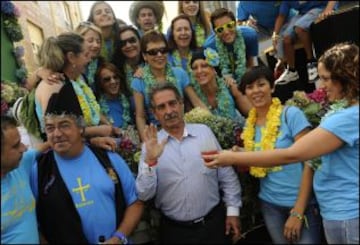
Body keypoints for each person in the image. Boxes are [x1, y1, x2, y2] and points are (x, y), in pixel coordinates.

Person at [203, 42, 359, 244]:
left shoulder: (346, 117)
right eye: (249, 87)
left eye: (326, 79)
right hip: (331, 210)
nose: (322, 85)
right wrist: (242, 152)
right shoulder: (343, 111)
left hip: (346, 212)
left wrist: (232, 157)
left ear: (344, 78)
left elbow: (293, 154)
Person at [30, 90, 143, 244]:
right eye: (50, 128)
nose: (56, 134)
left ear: (81, 128)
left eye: (64, 125)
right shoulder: (39, 170)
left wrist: (119, 238)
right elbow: (31, 224)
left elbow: (134, 203)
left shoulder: (108, 158)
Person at [135, 82, 242, 244]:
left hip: (214, 225)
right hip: (176, 233)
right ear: (155, 113)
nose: (169, 111)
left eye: (172, 103)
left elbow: (226, 174)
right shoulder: (151, 146)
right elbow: (144, 194)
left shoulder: (204, 132)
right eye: (162, 107)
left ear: (182, 104)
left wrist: (233, 211)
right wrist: (150, 161)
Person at [236, 65, 323, 243]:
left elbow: (311, 161)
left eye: (261, 85)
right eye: (249, 87)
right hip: (270, 205)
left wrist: (298, 212)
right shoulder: (249, 125)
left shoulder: (290, 115)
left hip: (301, 205)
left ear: (272, 87)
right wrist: (241, 154)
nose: (256, 91)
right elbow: (260, 158)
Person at [131, 30, 206, 141]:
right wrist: (148, 143)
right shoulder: (138, 81)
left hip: (183, 127)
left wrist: (212, 122)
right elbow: (140, 116)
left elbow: (196, 102)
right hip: (158, 133)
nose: (159, 55)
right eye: (153, 52)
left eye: (163, 50)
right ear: (145, 56)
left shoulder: (179, 73)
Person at [1, 115, 50, 244]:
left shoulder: (20, 165)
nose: (23, 148)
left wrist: (94, 141)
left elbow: (44, 147)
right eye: (16, 146)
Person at [273, 1, 338, 85]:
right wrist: (275, 34)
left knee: (300, 28)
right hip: (303, 13)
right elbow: (281, 16)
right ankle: (291, 70)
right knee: (286, 38)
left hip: (320, 8)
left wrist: (328, 10)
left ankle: (311, 61)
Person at [190, 47, 251, 120]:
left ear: (214, 69)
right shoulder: (193, 95)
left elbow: (252, 113)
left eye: (204, 66)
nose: (199, 71)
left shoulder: (229, 86)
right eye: (195, 68)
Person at [203, 8, 258, 85]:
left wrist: (247, 78)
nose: (226, 32)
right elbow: (213, 74)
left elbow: (252, 63)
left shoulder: (249, 35)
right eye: (220, 29)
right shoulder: (209, 47)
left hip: (246, 71)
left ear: (235, 24)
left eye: (229, 25)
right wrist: (226, 77)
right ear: (215, 32)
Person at [94, 62, 134, 129]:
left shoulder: (130, 101)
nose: (113, 81)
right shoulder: (95, 106)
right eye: (107, 79)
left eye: (115, 77)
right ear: (100, 83)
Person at [74, 21, 104, 93]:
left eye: (98, 41)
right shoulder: (69, 63)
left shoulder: (102, 64)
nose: (96, 45)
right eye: (90, 41)